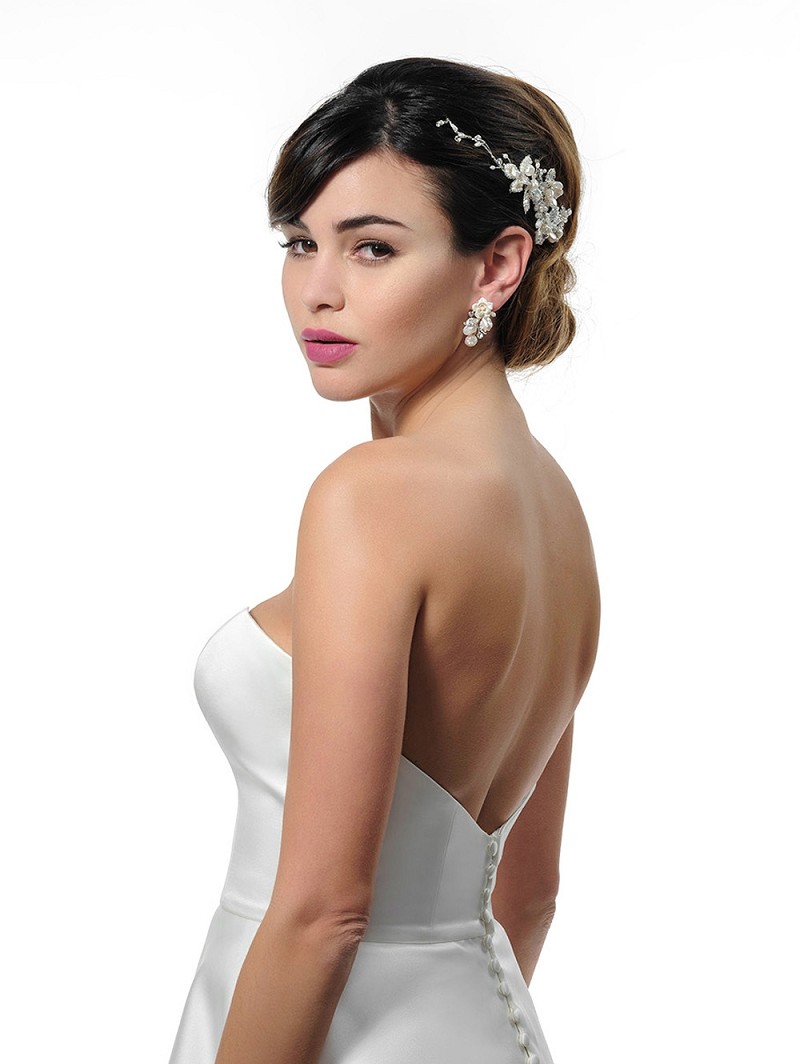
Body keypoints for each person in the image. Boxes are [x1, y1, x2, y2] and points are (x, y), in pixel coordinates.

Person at [167, 56, 601, 1064]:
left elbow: (322, 912)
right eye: (299, 242)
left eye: (372, 247)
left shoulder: (372, 497)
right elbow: (529, 893)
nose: (316, 292)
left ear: (496, 265)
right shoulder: (555, 508)